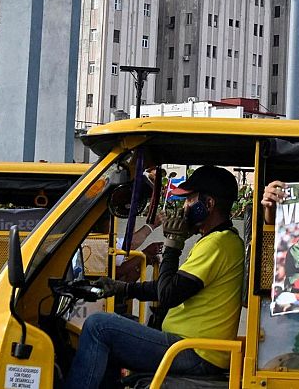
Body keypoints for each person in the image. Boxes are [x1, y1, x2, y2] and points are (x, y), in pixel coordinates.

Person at [63, 166, 245, 389]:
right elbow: (173, 285)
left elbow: (168, 295)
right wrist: (124, 289)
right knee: (119, 326)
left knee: (98, 327)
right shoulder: (218, 241)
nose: (184, 207)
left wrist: (172, 247)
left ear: (208, 204)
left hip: (194, 352)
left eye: (189, 200)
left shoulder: (218, 244)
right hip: (191, 347)